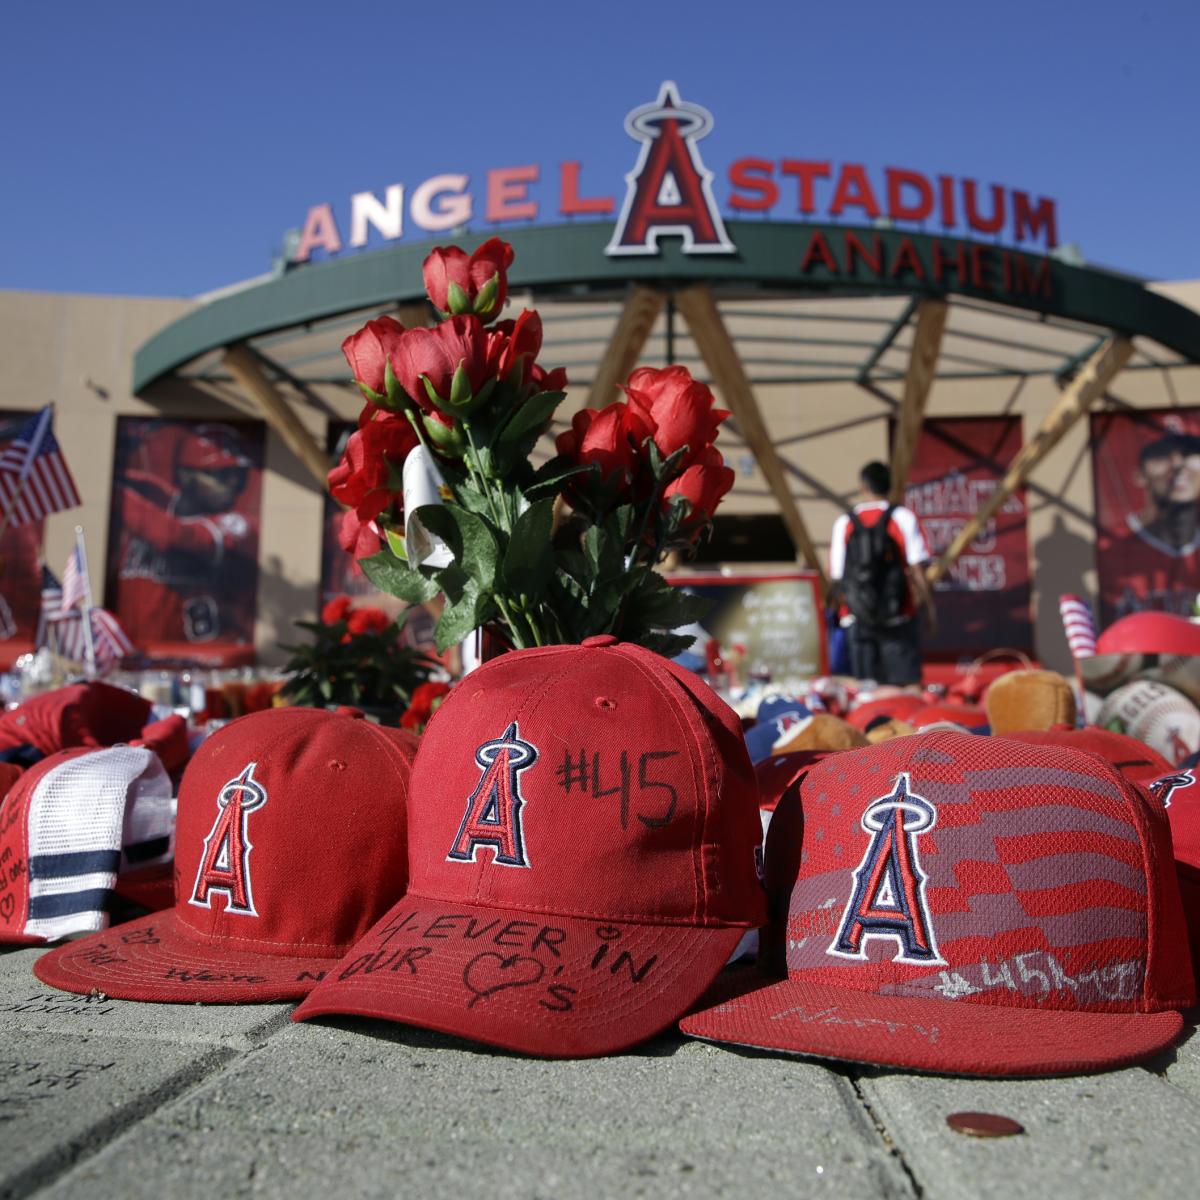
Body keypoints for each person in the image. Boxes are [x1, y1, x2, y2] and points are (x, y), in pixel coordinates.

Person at [110, 423, 259, 651]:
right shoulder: (164, 506)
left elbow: (172, 534)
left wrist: (109, 489)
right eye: (221, 475)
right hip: (142, 652)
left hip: (206, 659)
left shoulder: (240, 526)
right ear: (186, 476)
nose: (232, 486)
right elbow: (150, 490)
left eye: (238, 477)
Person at [828, 460, 932, 685]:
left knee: (864, 691)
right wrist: (929, 608)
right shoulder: (903, 517)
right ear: (890, 486)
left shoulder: (845, 522)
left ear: (862, 487)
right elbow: (916, 568)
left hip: (857, 617)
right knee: (905, 687)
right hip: (898, 615)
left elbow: (836, 576)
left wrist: (838, 615)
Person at [1101, 432, 1200, 622]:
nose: (1179, 466)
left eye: (1191, 454)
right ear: (1140, 476)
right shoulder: (1108, 547)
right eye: (1162, 456)